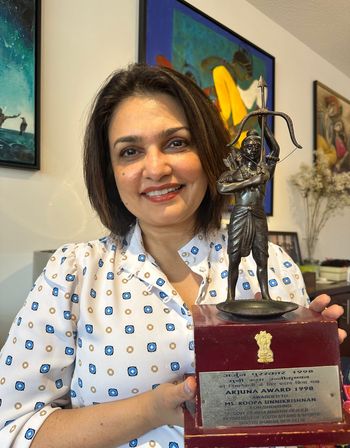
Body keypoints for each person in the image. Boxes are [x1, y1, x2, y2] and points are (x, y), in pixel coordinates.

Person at [0, 63, 345, 448]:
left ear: (208, 151)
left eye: (176, 143)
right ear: (109, 170)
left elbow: (303, 426)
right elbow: (13, 429)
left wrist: (313, 364)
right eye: (130, 151)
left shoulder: (275, 267)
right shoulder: (75, 274)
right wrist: (153, 409)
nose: (156, 168)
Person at [217, 124, 279, 302]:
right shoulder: (235, 172)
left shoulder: (264, 170)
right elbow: (221, 187)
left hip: (258, 214)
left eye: (256, 147)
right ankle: (230, 296)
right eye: (249, 146)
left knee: (262, 257)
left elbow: (275, 149)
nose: (252, 150)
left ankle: (266, 295)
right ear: (243, 149)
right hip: (240, 213)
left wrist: (264, 124)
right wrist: (251, 181)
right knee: (234, 256)